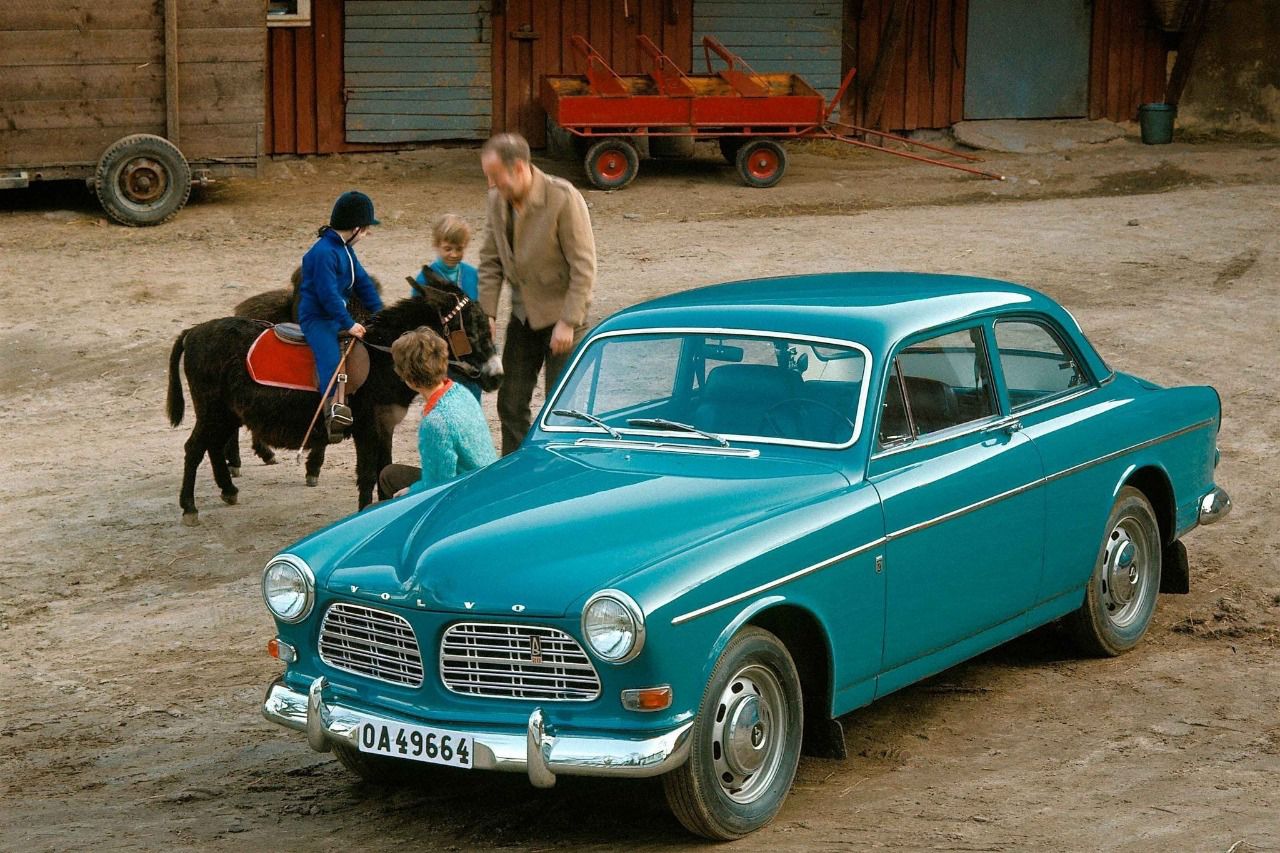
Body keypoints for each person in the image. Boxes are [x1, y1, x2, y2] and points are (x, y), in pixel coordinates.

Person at [478, 132, 596, 455]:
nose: (491, 184)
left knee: (560, 412)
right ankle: (515, 472)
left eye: (495, 175)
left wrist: (568, 322)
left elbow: (584, 267)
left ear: (519, 168)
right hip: (523, 317)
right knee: (510, 404)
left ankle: (556, 474)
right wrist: (486, 312)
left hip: (563, 321)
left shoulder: (563, 198)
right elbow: (490, 260)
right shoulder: (496, 199)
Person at [298, 190, 385, 440]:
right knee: (331, 357)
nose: (366, 234)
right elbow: (327, 296)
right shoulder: (323, 253)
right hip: (317, 317)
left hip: (335, 314)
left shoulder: (345, 250)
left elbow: (363, 283)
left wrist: (382, 314)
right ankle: (333, 411)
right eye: (365, 229)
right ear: (355, 228)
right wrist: (348, 323)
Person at [378, 327, 497, 498]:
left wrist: (412, 491)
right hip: (483, 481)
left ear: (410, 380)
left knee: (377, 503)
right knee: (390, 474)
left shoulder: (436, 422)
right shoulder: (460, 391)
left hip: (467, 495)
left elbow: (438, 487)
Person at [411, 213, 482, 401]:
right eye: (448, 248)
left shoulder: (472, 275)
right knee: (441, 401)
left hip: (468, 352)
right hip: (438, 354)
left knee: (471, 400)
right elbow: (416, 316)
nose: (454, 254)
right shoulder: (424, 279)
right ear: (436, 245)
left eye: (459, 249)